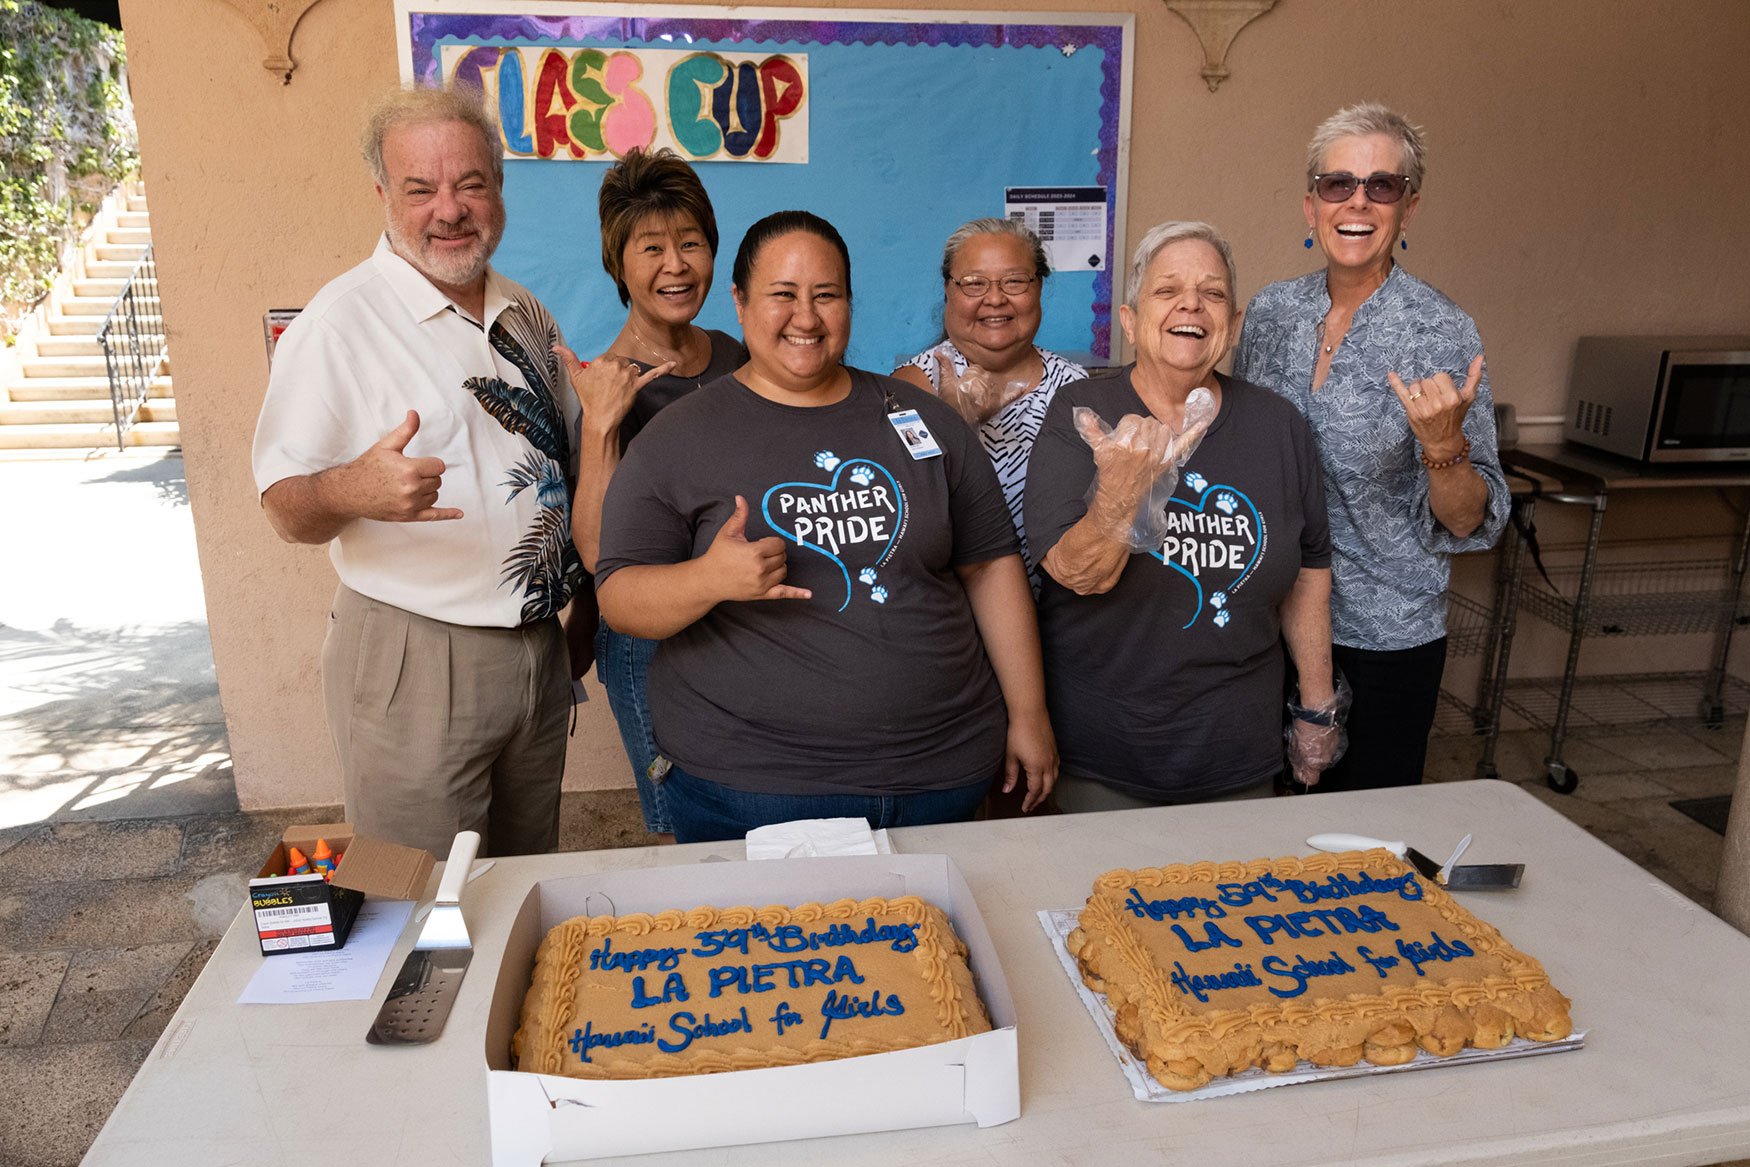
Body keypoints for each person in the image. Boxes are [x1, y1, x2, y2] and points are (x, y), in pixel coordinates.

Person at [595, 210, 1057, 843]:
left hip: (943, 775)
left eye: (827, 295)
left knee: (937, 943)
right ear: (739, 301)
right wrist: (707, 580)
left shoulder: (926, 420)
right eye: (782, 295)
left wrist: (1028, 715)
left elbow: (989, 565)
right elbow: (619, 596)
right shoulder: (677, 437)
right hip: (753, 789)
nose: (806, 318)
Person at [251, 86, 584, 858]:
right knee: (419, 900)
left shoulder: (523, 310)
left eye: (470, 183)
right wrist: (349, 489)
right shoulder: (340, 323)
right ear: (382, 196)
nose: (450, 209)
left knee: (522, 880)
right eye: (420, 188)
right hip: (415, 655)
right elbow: (283, 506)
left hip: (536, 647)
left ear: (498, 189)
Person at [1233, 102, 1508, 792]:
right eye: (1338, 184)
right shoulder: (1271, 313)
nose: (1357, 201)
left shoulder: (1440, 333)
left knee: (1362, 843)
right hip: (1266, 621)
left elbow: (1468, 520)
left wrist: (1445, 450)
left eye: (1381, 186)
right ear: (1310, 204)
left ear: (1408, 208)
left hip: (1383, 637)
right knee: (1260, 834)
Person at [1026, 221, 1338, 810]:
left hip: (1237, 750)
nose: (1190, 304)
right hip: (1107, 751)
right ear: (1129, 320)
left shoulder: (1279, 426)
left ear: (1233, 323)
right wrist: (1121, 492)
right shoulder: (1083, 415)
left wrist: (1316, 709)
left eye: (1212, 293)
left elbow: (1308, 571)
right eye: (1167, 291)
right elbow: (1078, 573)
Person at [555, 148, 743, 842]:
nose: (676, 265)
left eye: (691, 243)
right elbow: (600, 548)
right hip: (647, 636)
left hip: (736, 612)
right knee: (681, 818)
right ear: (619, 263)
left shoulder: (736, 356)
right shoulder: (603, 382)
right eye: (652, 247)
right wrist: (603, 425)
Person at [893, 218, 1086, 579]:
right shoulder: (911, 386)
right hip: (954, 607)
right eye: (974, 283)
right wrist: (952, 421)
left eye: (1014, 281)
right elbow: (901, 513)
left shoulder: (1076, 388)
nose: (995, 298)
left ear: (1039, 287)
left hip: (1065, 602)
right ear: (949, 290)